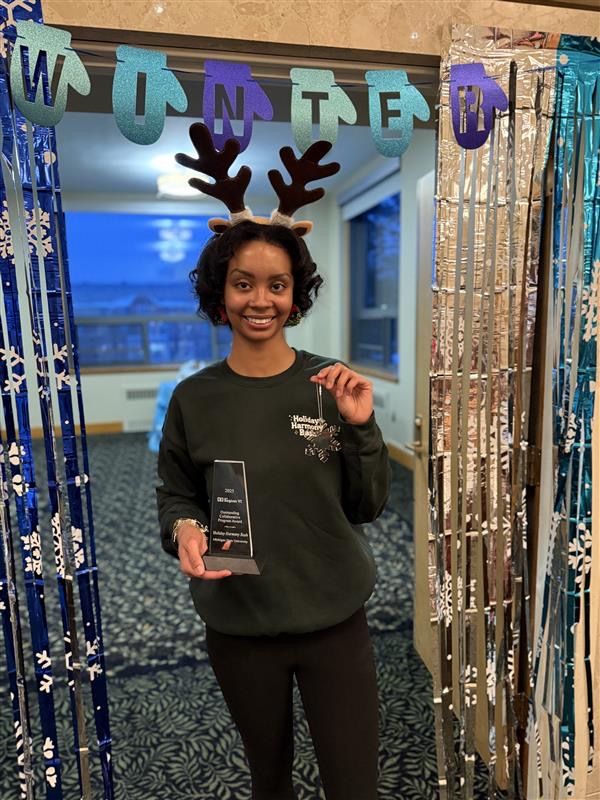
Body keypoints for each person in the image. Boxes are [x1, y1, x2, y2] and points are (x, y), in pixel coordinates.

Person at [156, 125, 390, 800]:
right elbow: (174, 493)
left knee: (355, 786)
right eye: (242, 284)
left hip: (334, 619)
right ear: (219, 293)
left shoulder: (332, 384)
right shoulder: (193, 399)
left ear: (296, 293)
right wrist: (186, 530)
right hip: (240, 624)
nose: (260, 300)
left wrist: (361, 428)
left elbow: (368, 505)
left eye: (277, 285)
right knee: (269, 782)